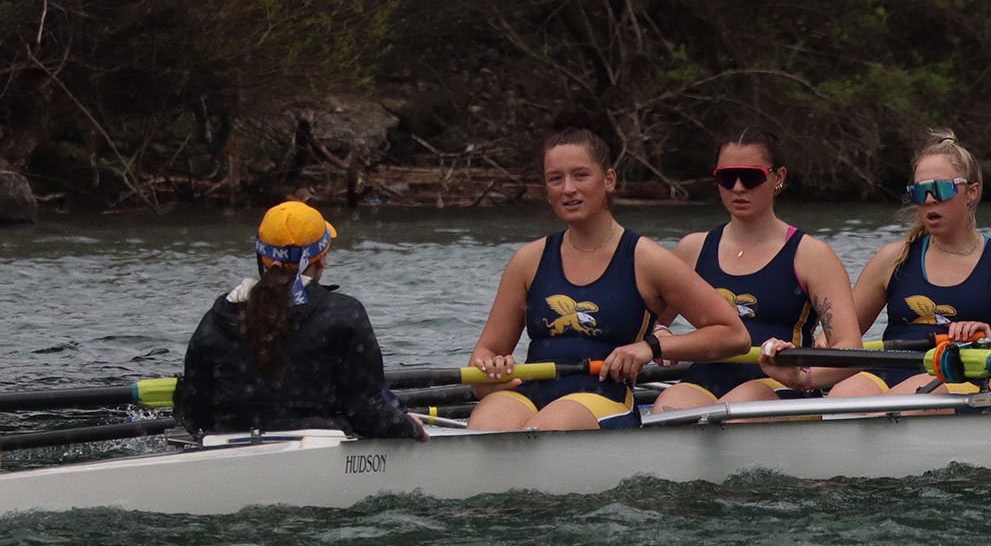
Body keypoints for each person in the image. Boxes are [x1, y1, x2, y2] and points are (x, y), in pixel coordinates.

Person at [467, 126, 749, 430]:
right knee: (487, 425)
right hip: (530, 392)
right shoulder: (528, 260)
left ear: (609, 180)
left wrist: (650, 347)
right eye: (555, 179)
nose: (568, 189)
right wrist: (491, 368)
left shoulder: (648, 260)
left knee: (551, 425)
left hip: (606, 398)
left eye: (580, 175)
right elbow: (484, 355)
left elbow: (734, 335)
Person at [812, 130, 991, 396]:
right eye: (919, 192)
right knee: (843, 396)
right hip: (888, 372)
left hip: (959, 381)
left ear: (971, 192)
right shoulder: (891, 260)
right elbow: (842, 337)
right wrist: (825, 342)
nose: (929, 200)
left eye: (940, 189)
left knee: (907, 400)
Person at [175, 201, 423, 440]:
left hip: (225, 443)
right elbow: (366, 413)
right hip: (319, 445)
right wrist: (409, 427)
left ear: (261, 258)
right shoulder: (343, 314)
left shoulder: (215, 320)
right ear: (321, 260)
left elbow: (195, 416)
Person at [650, 130, 862, 410]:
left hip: (780, 382)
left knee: (741, 403)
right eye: (727, 177)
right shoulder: (692, 249)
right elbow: (639, 322)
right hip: (705, 379)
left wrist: (804, 377)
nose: (738, 187)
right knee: (668, 405)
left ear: (779, 177)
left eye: (751, 177)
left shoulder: (812, 256)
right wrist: (658, 335)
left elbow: (849, 349)